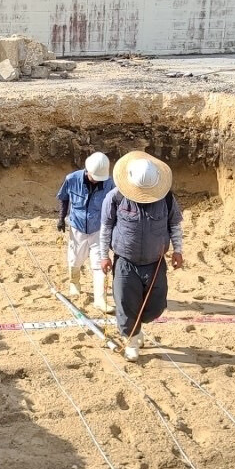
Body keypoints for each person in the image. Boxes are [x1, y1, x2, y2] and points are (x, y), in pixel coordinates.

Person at [99, 151, 184, 362]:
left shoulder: (167, 199)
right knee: (126, 303)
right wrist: (104, 256)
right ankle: (131, 340)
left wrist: (178, 250)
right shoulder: (115, 198)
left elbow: (174, 225)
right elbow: (106, 228)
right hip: (125, 261)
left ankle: (137, 328)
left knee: (156, 306)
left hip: (155, 263)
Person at [56, 151, 116, 314]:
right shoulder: (72, 179)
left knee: (99, 264)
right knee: (75, 259)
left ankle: (100, 300)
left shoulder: (109, 184)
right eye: (94, 176)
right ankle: (74, 283)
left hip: (99, 229)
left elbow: (114, 205)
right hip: (77, 228)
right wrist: (61, 218)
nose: (97, 180)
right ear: (87, 170)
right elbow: (64, 198)